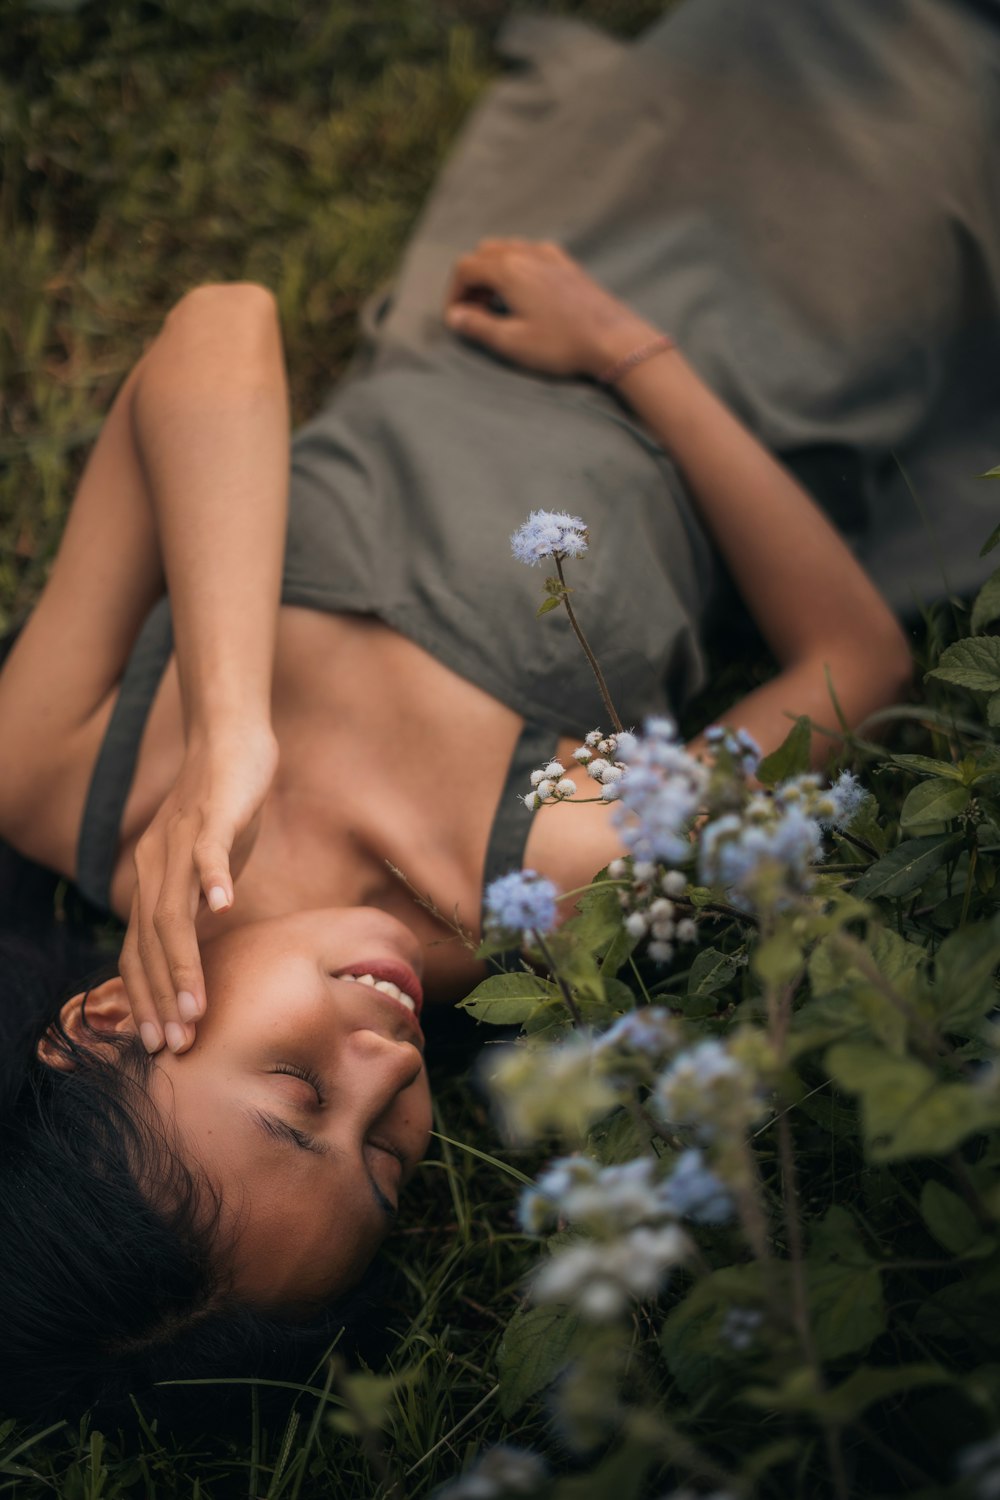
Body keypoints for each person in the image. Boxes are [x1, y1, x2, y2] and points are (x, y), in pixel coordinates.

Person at [0, 0, 996, 1426]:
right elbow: (853, 662)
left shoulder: (53, 770)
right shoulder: (541, 878)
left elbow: (219, 330)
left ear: (98, 1024)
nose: (391, 1069)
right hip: (758, 352)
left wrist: (232, 727)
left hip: (496, 276)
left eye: (296, 1096)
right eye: (385, 1162)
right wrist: (631, 351)